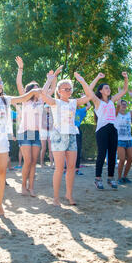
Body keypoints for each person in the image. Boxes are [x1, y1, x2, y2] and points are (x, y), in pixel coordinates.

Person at [0, 75, 42, 217]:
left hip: (3, 140)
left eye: (0, 81)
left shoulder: (6, 99)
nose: (0, 84)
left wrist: (34, 92)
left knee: (2, 173)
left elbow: (23, 98)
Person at [40, 70, 93, 206]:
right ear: (59, 90)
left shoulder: (74, 102)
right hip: (58, 135)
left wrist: (82, 81)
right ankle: (56, 198)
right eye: (66, 89)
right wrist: (50, 79)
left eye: (70, 89)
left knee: (71, 167)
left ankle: (69, 194)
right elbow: (43, 94)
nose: (69, 91)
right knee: (59, 168)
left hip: (71, 135)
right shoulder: (55, 102)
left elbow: (89, 96)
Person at [14, 56, 60, 196]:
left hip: (36, 133)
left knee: (33, 161)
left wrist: (53, 77)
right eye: (35, 86)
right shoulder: (25, 100)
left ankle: (31, 187)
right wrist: (20, 68)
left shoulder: (41, 100)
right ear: (30, 90)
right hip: (25, 132)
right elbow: (19, 84)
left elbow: (52, 88)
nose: (38, 88)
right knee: (27, 160)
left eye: (38, 86)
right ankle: (23, 186)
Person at [82, 71, 129, 190]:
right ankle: (97, 179)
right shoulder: (98, 102)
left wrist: (126, 78)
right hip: (102, 130)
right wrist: (97, 77)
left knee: (113, 155)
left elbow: (124, 91)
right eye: (106, 88)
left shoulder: (112, 100)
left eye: (109, 88)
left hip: (113, 129)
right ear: (101, 91)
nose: (108, 89)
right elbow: (88, 90)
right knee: (102, 154)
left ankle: (110, 178)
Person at [115, 91, 132, 184]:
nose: (124, 106)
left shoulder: (128, 114)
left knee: (130, 159)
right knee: (122, 159)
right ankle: (119, 177)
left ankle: (125, 177)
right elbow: (117, 105)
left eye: (125, 104)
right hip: (120, 140)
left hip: (129, 140)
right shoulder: (116, 114)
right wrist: (120, 94)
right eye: (122, 104)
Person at [75, 99, 92, 175]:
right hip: (67, 130)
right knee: (67, 150)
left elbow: (89, 106)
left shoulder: (79, 111)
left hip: (77, 130)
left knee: (78, 150)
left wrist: (84, 98)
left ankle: (77, 169)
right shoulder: (66, 109)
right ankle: (66, 169)